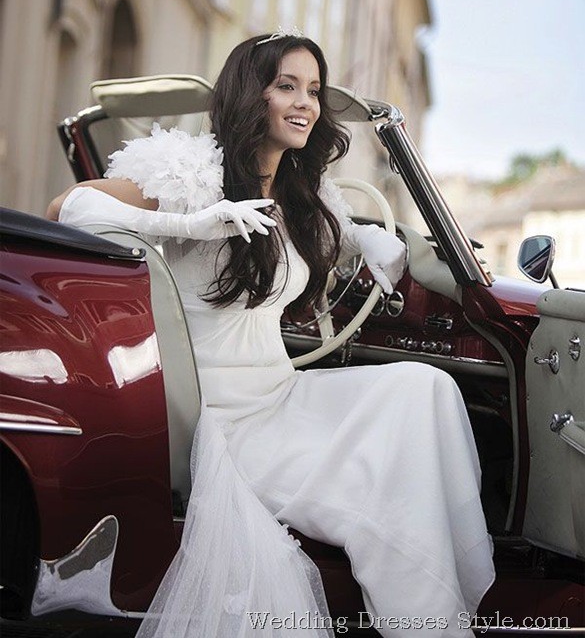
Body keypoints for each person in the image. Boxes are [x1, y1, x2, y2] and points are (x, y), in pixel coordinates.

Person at [47, 31, 495, 637]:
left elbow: (332, 235)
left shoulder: (300, 192)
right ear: (249, 94)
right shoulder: (193, 173)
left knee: (425, 387)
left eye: (313, 89)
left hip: (281, 392)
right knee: (379, 485)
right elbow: (70, 209)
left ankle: (437, 604)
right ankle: (420, 617)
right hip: (225, 421)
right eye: (287, 86)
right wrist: (191, 223)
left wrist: (368, 238)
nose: (305, 102)